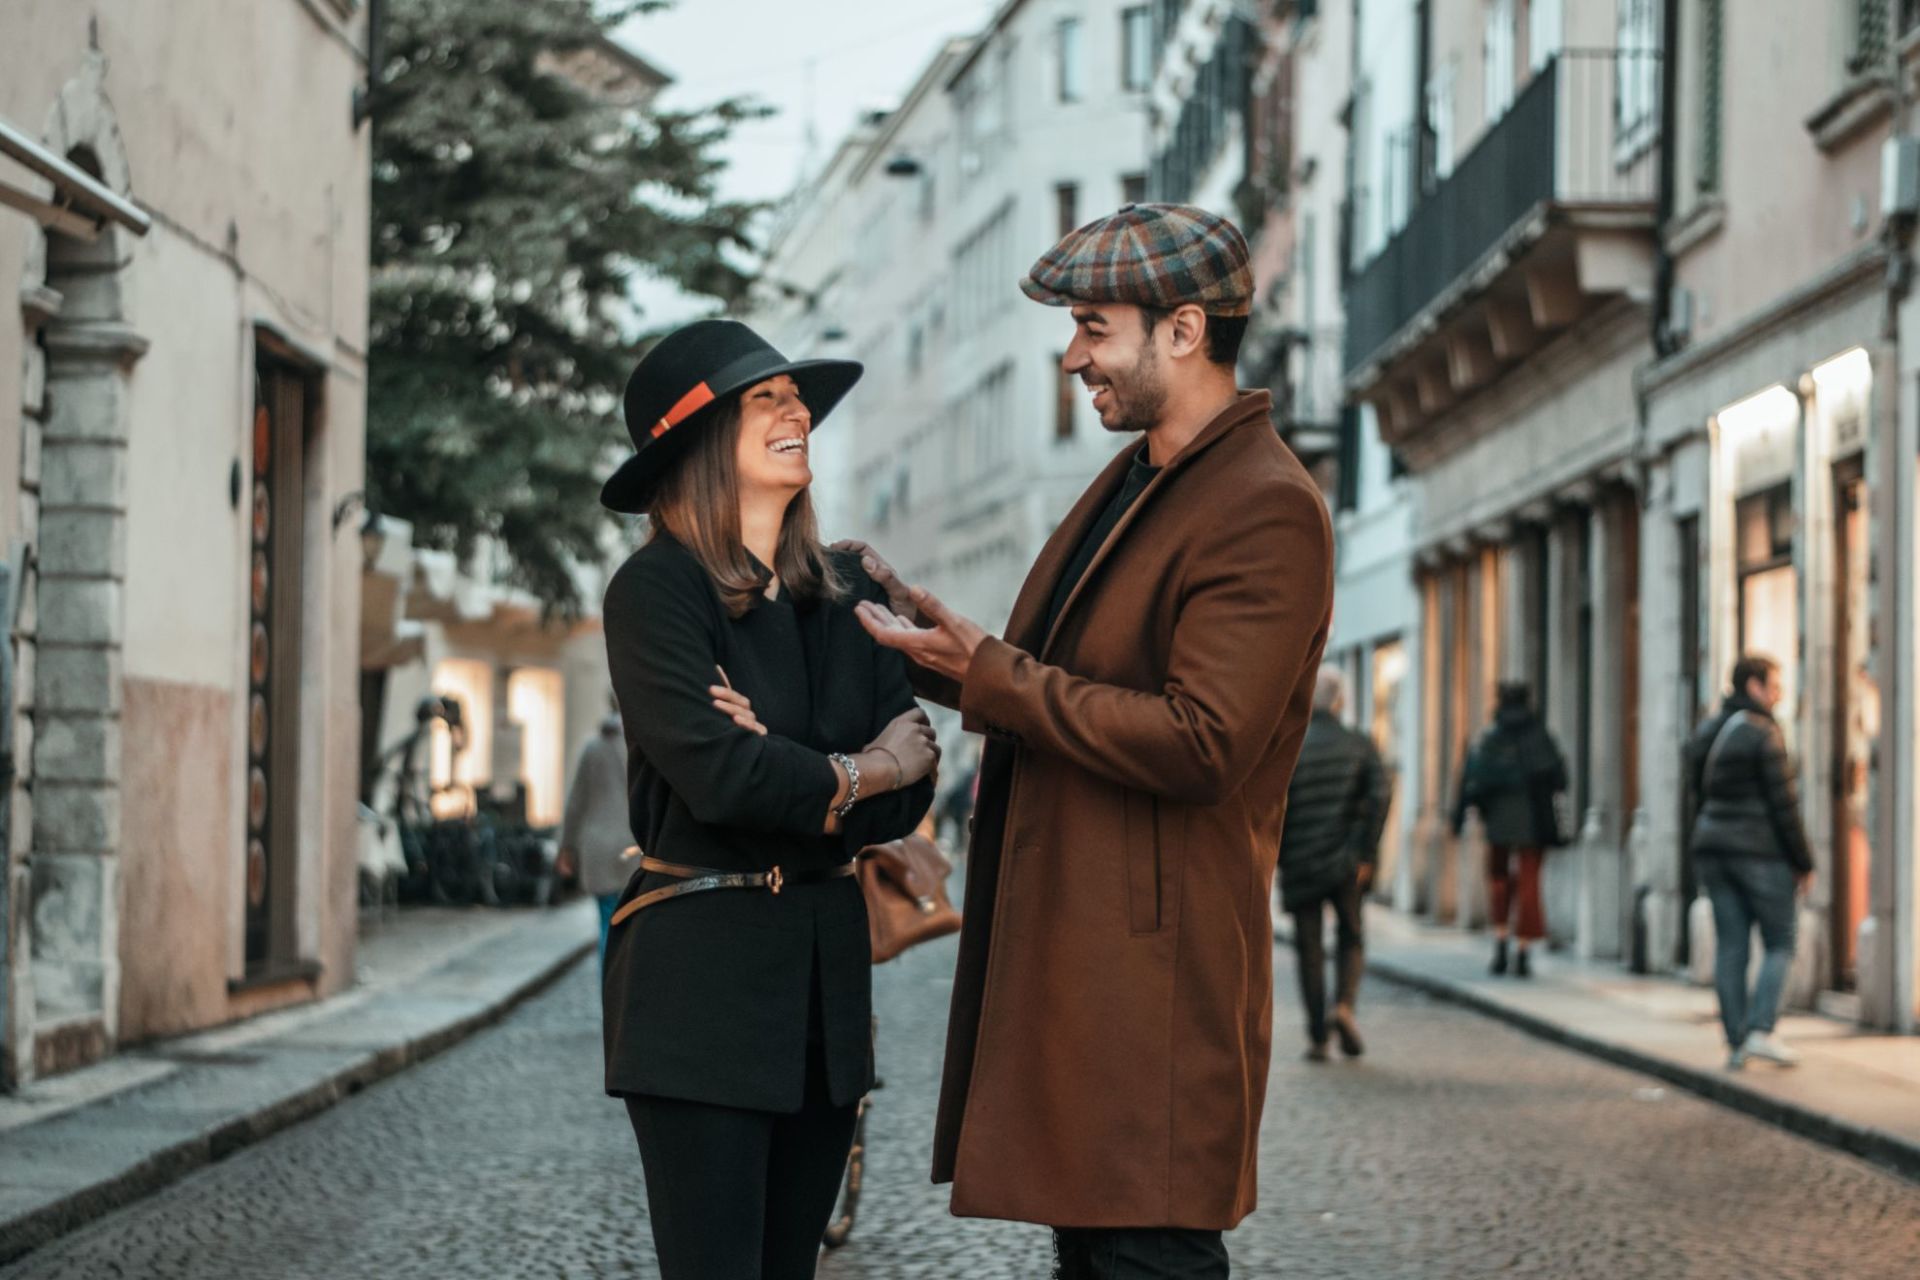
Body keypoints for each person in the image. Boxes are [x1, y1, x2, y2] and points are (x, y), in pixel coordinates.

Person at [846, 203, 1333, 1280]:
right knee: (1101, 1249)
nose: (1073, 358)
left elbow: (1205, 740)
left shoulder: (1262, 505)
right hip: (1097, 975)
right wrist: (953, 654)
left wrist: (997, 674)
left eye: (1094, 327)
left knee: (1145, 1251)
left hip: (1151, 989)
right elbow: (1080, 681)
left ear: (1185, 329)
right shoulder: (1144, 480)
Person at [596, 319, 938, 1280]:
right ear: (700, 441)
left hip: (825, 998)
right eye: (766, 399)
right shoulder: (656, 591)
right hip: (698, 987)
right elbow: (719, 777)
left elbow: (913, 784)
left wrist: (820, 771)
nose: (798, 411)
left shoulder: (846, 587)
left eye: (797, 397)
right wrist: (860, 767)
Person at [1687, 654, 1813, 1071]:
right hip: (1757, 851)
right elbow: (1784, 804)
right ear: (1754, 686)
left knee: (1731, 944)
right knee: (1782, 939)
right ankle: (1761, 1030)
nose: (1778, 695)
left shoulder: (1709, 729)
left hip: (1712, 848)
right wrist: (1803, 861)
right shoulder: (1762, 732)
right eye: (1774, 686)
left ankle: (1736, 1041)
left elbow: (1694, 791)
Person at [1279, 669, 1389, 1062]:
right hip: (1346, 863)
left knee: (1308, 948)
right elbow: (1380, 796)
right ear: (1339, 702)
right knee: (1350, 936)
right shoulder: (1359, 744)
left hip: (1301, 862)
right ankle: (1343, 1004)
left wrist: (1279, 860)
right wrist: (1367, 853)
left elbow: (1274, 808)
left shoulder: (1292, 748)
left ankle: (1317, 1036)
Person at [1451, 682, 1568, 978]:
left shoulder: (1492, 738)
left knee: (1499, 881)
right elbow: (1559, 778)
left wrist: (1461, 816)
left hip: (1499, 822)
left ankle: (1502, 940)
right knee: (1528, 884)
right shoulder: (1539, 737)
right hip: (1533, 821)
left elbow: (1472, 779)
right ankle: (1523, 949)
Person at [557, 697, 630, 973]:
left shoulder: (593, 747)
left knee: (607, 922)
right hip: (632, 846)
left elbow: (576, 802)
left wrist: (566, 847)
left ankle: (607, 991)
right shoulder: (641, 744)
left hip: (597, 845)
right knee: (631, 923)